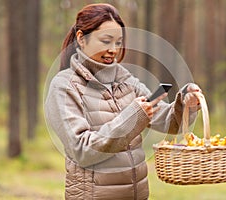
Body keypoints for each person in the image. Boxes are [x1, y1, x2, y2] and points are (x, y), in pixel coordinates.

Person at [45, 3, 202, 200]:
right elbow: (82, 150)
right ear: (81, 39)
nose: (114, 50)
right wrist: (134, 116)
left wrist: (185, 104)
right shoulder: (65, 86)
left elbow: (169, 122)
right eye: (106, 41)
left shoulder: (126, 81)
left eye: (118, 42)